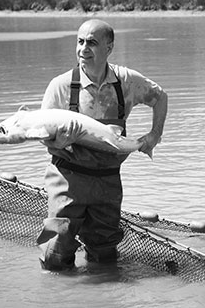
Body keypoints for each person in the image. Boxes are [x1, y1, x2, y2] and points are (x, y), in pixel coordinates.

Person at [36, 19, 168, 271]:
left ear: (109, 48)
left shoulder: (126, 81)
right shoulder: (61, 86)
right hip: (67, 178)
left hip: (108, 181)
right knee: (55, 254)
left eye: (92, 43)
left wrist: (154, 135)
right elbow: (43, 134)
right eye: (80, 41)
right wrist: (59, 141)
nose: (83, 48)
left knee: (105, 254)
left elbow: (160, 96)